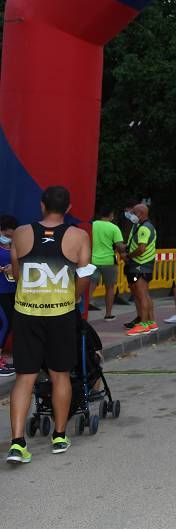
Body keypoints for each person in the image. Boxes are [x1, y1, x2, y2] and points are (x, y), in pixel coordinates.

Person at [6, 186, 92, 464]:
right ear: (68, 208)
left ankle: (18, 443)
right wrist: (72, 296)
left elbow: (17, 272)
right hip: (61, 314)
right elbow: (84, 276)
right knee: (60, 375)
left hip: (27, 313)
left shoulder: (20, 233)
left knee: (25, 377)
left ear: (42, 205)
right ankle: (59, 435)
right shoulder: (79, 236)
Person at [123, 203, 158, 336]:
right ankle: (150, 322)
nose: (132, 215)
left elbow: (141, 248)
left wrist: (129, 255)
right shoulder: (141, 226)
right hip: (142, 265)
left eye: (134, 213)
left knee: (141, 295)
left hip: (140, 265)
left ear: (141, 214)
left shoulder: (144, 228)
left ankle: (143, 324)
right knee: (144, 294)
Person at [88, 208, 126, 321]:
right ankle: (108, 314)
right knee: (109, 289)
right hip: (109, 262)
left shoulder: (92, 225)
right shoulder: (114, 228)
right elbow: (119, 246)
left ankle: (82, 313)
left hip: (93, 261)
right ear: (110, 215)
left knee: (90, 287)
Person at [0, 214, 19, 377]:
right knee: (3, 323)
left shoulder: (15, 247)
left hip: (12, 291)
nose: (8, 239)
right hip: (0, 291)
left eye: (11, 236)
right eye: (6, 235)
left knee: (11, 324)